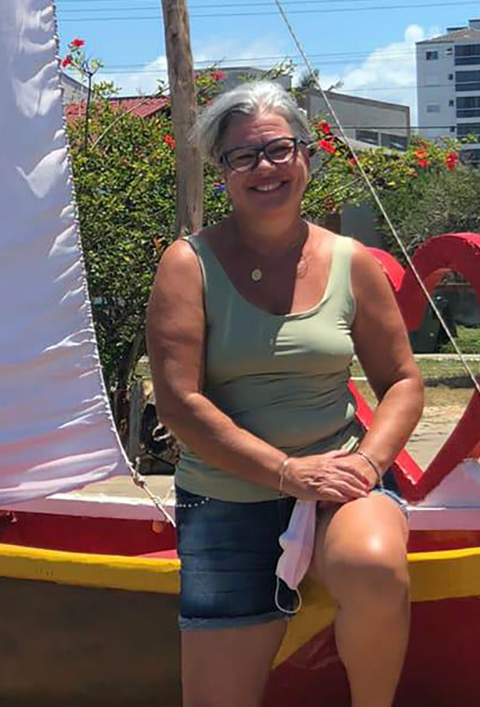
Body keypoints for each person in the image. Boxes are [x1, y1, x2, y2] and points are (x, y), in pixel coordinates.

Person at [146, 81, 423, 707]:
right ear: (222, 173)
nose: (263, 168)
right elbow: (179, 404)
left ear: (306, 155)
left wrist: (368, 463)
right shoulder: (187, 265)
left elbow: (403, 381)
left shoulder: (354, 263)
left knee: (376, 568)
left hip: (342, 488)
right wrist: (287, 472)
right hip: (227, 500)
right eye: (242, 156)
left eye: (277, 149)